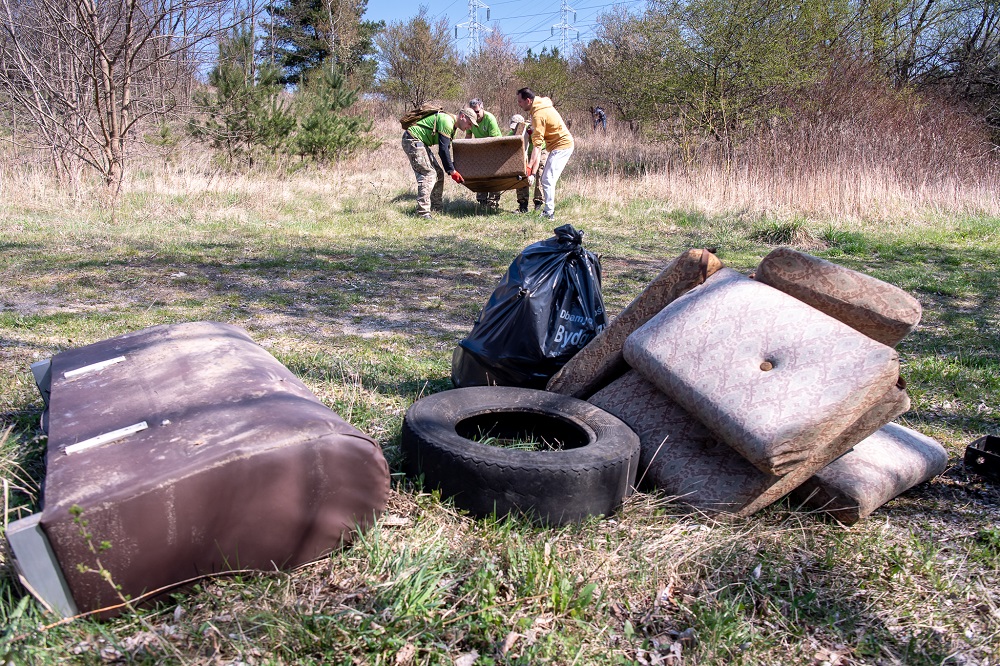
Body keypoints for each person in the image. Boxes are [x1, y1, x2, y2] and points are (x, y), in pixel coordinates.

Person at [401, 107, 477, 219]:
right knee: (428, 174)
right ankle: (422, 212)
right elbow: (443, 150)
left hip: (421, 143)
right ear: (462, 116)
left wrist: (452, 169)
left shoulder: (453, 128)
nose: (469, 127)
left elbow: (446, 150)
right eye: (469, 123)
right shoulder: (447, 121)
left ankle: (436, 208)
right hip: (412, 140)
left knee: (439, 174)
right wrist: (452, 171)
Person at [516, 87, 573, 221]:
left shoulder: (538, 115)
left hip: (562, 146)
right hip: (556, 147)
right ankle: (548, 211)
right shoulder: (541, 103)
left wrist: (529, 166)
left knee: (547, 179)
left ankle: (549, 213)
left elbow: (537, 146)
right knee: (547, 179)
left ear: (528, 101)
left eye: (520, 101)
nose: (519, 104)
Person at [467, 98, 504, 211]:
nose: (475, 115)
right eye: (473, 112)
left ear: (482, 108)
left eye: (477, 112)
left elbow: (493, 140)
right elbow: (468, 137)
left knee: (493, 177)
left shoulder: (489, 118)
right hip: (481, 150)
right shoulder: (471, 120)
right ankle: (482, 202)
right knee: (480, 175)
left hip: (495, 149)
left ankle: (492, 203)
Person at [509, 114, 547, 214]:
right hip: (524, 154)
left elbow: (537, 154)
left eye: (517, 128)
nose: (515, 131)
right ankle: (523, 205)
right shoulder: (512, 134)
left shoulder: (533, 131)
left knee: (540, 174)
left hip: (539, 151)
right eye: (513, 129)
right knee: (520, 175)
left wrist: (532, 174)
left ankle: (538, 204)